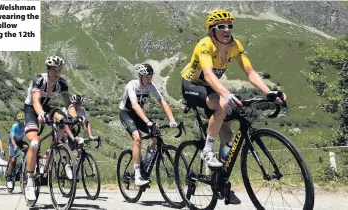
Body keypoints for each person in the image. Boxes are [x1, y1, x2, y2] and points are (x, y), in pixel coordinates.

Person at [180, 9, 287, 204]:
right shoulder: (205, 44)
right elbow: (209, 75)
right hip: (192, 86)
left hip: (211, 89)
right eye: (221, 26)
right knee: (222, 104)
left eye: (230, 25)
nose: (227, 29)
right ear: (212, 31)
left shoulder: (235, 45)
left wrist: (268, 92)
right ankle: (207, 149)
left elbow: (250, 71)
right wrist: (226, 94)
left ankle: (220, 179)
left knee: (228, 136)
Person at [23, 55, 80, 201]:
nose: (57, 73)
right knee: (34, 143)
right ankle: (29, 180)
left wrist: (75, 117)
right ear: (48, 69)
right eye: (54, 70)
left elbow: (68, 104)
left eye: (59, 70)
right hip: (32, 109)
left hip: (47, 108)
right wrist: (41, 113)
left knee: (63, 119)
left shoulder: (62, 83)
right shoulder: (39, 80)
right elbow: (35, 101)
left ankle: (51, 151)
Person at [119, 63, 178, 186]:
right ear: (140, 76)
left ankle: (144, 166)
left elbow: (162, 101)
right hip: (127, 114)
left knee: (155, 136)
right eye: (147, 77)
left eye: (151, 77)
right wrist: (148, 122)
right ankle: (137, 176)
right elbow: (134, 105)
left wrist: (172, 119)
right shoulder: (132, 85)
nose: (149, 79)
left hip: (139, 115)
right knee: (137, 138)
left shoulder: (151, 86)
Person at [6, 111, 28, 188]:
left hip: (19, 141)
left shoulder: (25, 126)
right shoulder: (14, 126)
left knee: (27, 147)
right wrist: (15, 145)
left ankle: (24, 164)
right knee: (13, 160)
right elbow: (12, 138)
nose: (22, 122)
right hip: (12, 142)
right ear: (18, 121)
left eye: (23, 120)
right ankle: (9, 178)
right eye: (20, 120)